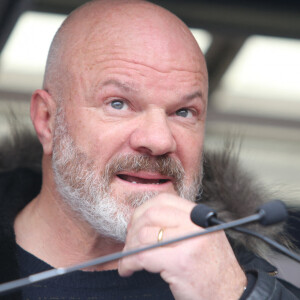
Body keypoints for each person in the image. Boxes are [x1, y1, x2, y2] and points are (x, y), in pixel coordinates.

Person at [0, 0, 299, 299]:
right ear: (47, 120)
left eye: (183, 112)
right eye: (118, 104)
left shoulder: (235, 282)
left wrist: (236, 292)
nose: (159, 141)